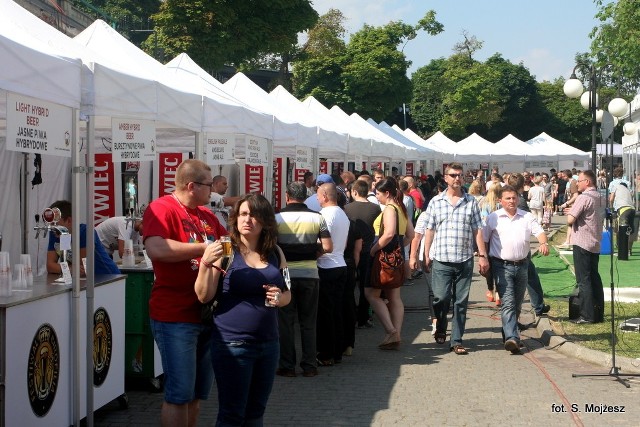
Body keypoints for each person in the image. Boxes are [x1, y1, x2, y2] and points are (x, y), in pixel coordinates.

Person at [143, 159, 227, 426]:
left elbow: (227, 245)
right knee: (179, 394)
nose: (212, 191)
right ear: (191, 186)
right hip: (175, 316)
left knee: (197, 394)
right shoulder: (161, 208)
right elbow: (156, 248)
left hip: (205, 315)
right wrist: (203, 249)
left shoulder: (207, 215)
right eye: (208, 185)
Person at [195, 193, 291, 425]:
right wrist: (206, 264)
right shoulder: (226, 250)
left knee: (256, 411)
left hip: (268, 344)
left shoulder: (276, 253)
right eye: (243, 214)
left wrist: (279, 298)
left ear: (266, 220)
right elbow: (203, 295)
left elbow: (288, 292)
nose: (247, 220)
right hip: (233, 344)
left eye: (254, 215)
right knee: (232, 413)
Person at [422, 163, 489, 355]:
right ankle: (441, 325)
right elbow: (430, 229)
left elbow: (478, 231)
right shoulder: (436, 201)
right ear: (446, 178)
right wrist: (426, 254)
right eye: (453, 175)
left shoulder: (471, 202)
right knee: (441, 298)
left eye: (459, 175)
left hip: (464, 259)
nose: (457, 178)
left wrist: (482, 256)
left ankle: (457, 340)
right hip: (441, 259)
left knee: (461, 302)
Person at [275, 182, 332, 378]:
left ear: (287, 196)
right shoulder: (318, 217)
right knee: (308, 322)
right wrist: (312, 255)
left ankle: (287, 365)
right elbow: (328, 246)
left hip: (285, 275)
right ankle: (309, 365)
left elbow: (271, 247)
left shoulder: (276, 218)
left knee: (286, 321)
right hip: (310, 274)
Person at [483, 185, 549, 354]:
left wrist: (543, 243)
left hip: (522, 265)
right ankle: (513, 337)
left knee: (517, 303)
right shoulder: (493, 218)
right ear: (500, 201)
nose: (512, 201)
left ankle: (508, 332)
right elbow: (484, 240)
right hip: (501, 266)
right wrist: (483, 259)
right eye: (508, 198)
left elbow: (539, 232)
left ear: (518, 199)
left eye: (514, 198)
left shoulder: (527, 217)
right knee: (509, 302)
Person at [366, 177, 415, 350]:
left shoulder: (389, 209)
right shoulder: (401, 208)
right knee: (394, 298)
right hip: (397, 258)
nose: (376, 197)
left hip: (384, 257)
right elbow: (411, 235)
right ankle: (396, 335)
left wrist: (374, 250)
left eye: (378, 194)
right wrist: (399, 247)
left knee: (371, 294)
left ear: (387, 193)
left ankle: (391, 330)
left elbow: (388, 233)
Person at [316, 183, 350, 365]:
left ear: (325, 196)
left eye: (318, 196)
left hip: (326, 266)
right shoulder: (343, 214)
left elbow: (322, 244)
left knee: (325, 313)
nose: (317, 199)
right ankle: (337, 350)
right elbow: (343, 244)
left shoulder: (324, 216)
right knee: (336, 310)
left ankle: (326, 353)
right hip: (340, 264)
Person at [565, 170, 606, 324]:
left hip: (582, 241)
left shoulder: (583, 197)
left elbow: (570, 219)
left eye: (580, 180)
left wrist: (571, 212)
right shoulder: (601, 197)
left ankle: (587, 315)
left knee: (583, 279)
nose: (577, 183)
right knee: (594, 277)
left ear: (587, 182)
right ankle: (598, 312)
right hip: (595, 241)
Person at [344, 179, 382, 329]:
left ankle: (351, 314)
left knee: (350, 285)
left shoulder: (346, 208)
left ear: (354, 192)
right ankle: (364, 316)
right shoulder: (375, 208)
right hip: (369, 250)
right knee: (366, 286)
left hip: (350, 250)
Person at [46, 200, 120, 276]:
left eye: (55, 223)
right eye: (51, 224)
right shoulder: (55, 233)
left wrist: (65, 268)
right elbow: (50, 266)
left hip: (108, 276)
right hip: (87, 280)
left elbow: (81, 269)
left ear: (69, 221)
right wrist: (69, 269)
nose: (52, 227)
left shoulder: (85, 231)